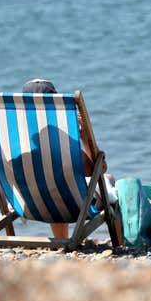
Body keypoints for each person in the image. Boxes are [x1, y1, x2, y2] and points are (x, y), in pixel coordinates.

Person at [22, 79, 114, 238]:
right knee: (108, 182)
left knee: (51, 185)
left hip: (28, 203)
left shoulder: (13, 137)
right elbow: (96, 169)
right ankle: (120, 245)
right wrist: (85, 136)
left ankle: (61, 239)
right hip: (67, 203)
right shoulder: (60, 139)